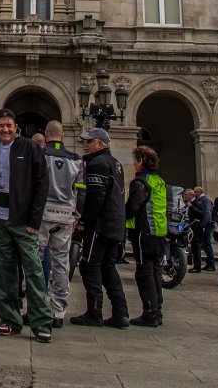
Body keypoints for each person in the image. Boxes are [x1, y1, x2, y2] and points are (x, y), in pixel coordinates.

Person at [0, 108, 53, 345]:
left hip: (23, 221)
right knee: (4, 271)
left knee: (33, 270)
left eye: (9, 125)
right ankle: (10, 319)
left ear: (15, 126)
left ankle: (41, 321)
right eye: (1, 126)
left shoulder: (29, 147)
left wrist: (34, 220)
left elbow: (42, 184)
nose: (6, 129)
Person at [70, 127, 129, 329]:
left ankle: (94, 312)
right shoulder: (115, 162)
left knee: (90, 265)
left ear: (100, 144)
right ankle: (121, 313)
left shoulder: (97, 163)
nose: (85, 145)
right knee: (108, 266)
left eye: (89, 141)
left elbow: (96, 197)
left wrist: (84, 220)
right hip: (115, 223)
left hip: (100, 224)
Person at [39, 120, 85, 329]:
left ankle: (37, 306)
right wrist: (77, 216)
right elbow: (82, 192)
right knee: (61, 263)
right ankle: (59, 310)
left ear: (46, 135)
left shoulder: (40, 156)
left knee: (36, 261)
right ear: (63, 136)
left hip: (41, 214)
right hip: (66, 215)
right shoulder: (77, 160)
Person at [125, 145, 167, 327]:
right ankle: (157, 311)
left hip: (143, 233)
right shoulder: (159, 180)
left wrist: (121, 216)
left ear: (141, 160)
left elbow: (133, 207)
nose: (133, 163)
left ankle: (149, 312)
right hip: (158, 232)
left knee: (144, 273)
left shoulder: (140, 182)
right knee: (156, 272)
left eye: (135, 159)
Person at [188, 185, 215, 273]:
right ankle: (209, 263)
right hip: (204, 224)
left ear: (200, 192)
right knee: (204, 244)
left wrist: (203, 225)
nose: (194, 194)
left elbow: (207, 213)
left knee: (207, 244)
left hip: (207, 224)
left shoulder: (205, 200)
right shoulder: (200, 200)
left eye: (196, 192)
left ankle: (211, 264)